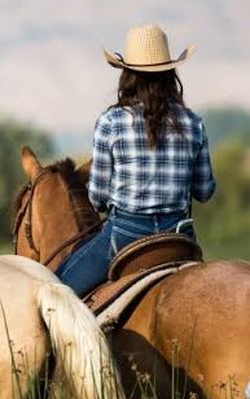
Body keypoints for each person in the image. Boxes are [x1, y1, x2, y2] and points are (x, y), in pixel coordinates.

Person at [56, 24, 215, 295]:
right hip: (178, 236)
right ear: (170, 73)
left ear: (127, 75)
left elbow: (97, 196)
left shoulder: (111, 122)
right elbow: (204, 191)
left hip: (125, 234)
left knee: (56, 290)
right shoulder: (192, 122)